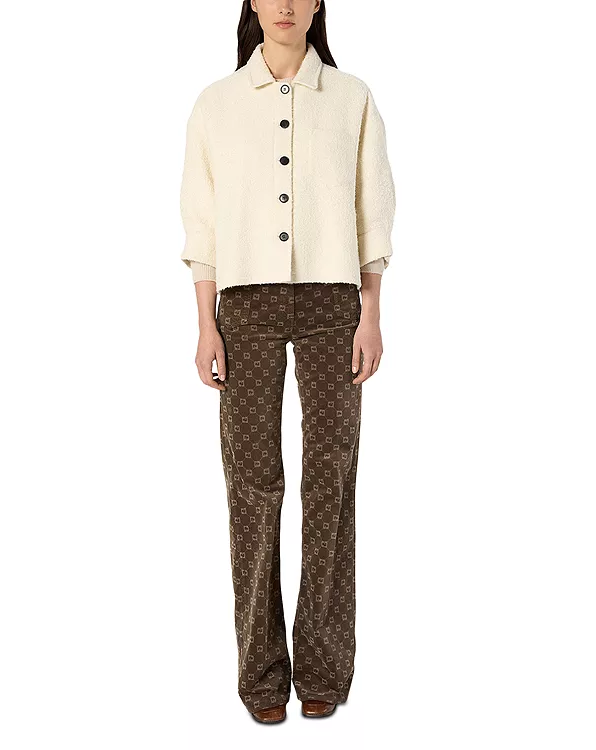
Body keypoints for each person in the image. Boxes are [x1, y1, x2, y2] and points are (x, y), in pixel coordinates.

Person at [179, 0, 395, 724]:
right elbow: (202, 220)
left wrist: (372, 312)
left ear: (318, 4)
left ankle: (325, 668)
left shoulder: (351, 98)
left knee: (330, 479)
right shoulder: (215, 104)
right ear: (250, 2)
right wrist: (205, 325)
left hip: (335, 303)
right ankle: (262, 675)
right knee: (251, 483)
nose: (284, 4)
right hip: (243, 307)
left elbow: (372, 209)